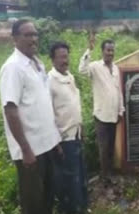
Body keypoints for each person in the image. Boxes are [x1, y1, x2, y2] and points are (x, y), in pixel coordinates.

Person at [0, 19, 61, 214]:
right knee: (33, 204)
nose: (33, 38)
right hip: (31, 151)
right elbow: (10, 110)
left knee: (48, 198)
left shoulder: (37, 64)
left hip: (47, 146)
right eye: (28, 35)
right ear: (15, 38)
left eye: (35, 34)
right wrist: (25, 149)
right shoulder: (13, 68)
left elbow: (42, 106)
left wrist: (55, 140)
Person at [79, 33, 124, 186]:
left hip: (114, 115)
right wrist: (88, 50)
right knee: (103, 150)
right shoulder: (95, 67)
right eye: (108, 50)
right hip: (102, 116)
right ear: (102, 51)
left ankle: (108, 173)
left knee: (111, 148)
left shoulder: (116, 68)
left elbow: (118, 91)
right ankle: (105, 178)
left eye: (112, 50)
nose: (110, 53)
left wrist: (121, 110)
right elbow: (82, 70)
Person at [48, 42, 88, 213]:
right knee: (69, 180)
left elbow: (73, 106)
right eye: (62, 57)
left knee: (80, 176)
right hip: (63, 140)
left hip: (76, 134)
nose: (66, 60)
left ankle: (82, 207)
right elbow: (48, 115)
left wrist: (81, 127)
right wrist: (55, 142)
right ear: (53, 59)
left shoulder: (69, 76)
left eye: (67, 56)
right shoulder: (50, 81)